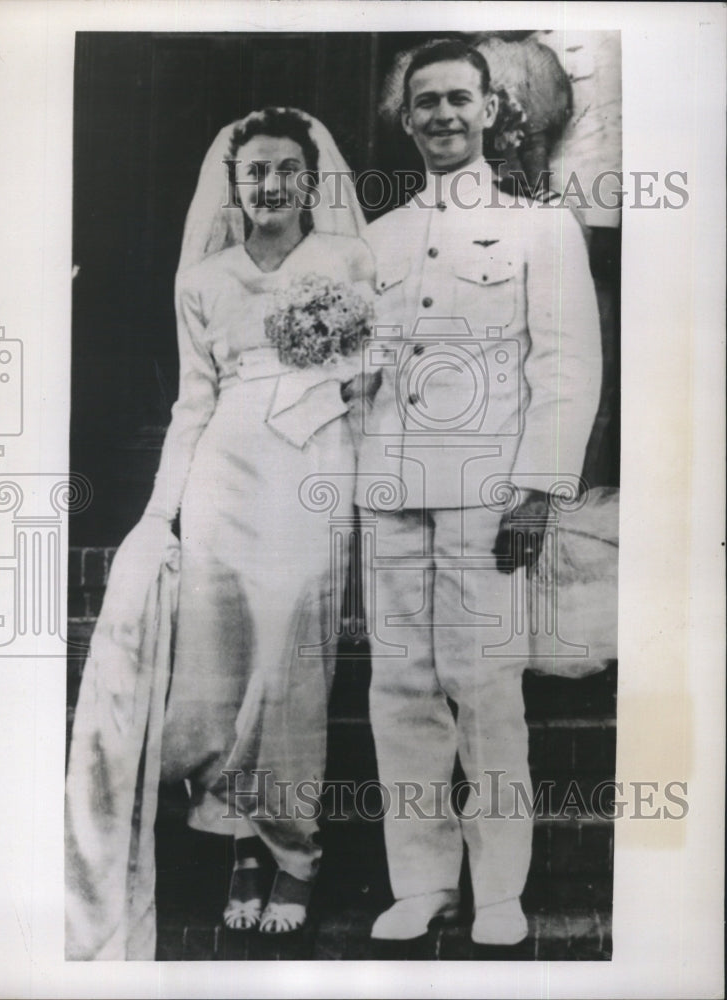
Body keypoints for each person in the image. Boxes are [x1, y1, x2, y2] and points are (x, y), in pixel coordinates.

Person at [355, 40, 602, 945]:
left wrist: (537, 487)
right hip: (390, 485)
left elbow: (566, 363)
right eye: (426, 103)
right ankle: (422, 884)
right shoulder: (375, 241)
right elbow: (370, 368)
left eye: (460, 99)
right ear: (406, 117)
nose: (443, 117)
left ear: (492, 111)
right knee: (400, 687)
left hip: (489, 490)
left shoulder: (542, 229)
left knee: (487, 686)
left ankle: (499, 892)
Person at [132, 107, 374, 934]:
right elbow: (191, 402)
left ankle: (296, 850)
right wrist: (163, 510)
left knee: (291, 659)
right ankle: (240, 841)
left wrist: (346, 381)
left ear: (313, 178)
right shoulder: (202, 282)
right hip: (224, 477)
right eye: (255, 173)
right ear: (233, 188)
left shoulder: (347, 258)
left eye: (285, 169)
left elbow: (377, 367)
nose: (270, 184)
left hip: (313, 464)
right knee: (221, 658)